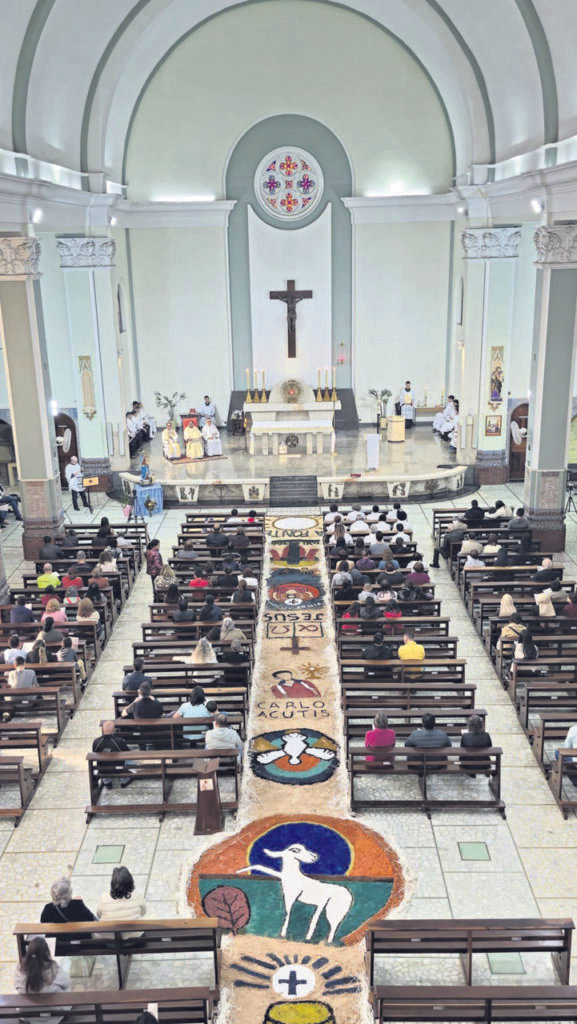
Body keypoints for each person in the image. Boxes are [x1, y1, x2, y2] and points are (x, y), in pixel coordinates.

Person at [40, 877, 95, 949]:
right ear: (69, 894)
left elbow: (43, 925)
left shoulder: (48, 908)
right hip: (79, 944)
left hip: (58, 946)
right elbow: (91, 919)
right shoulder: (78, 904)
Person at [14, 936, 70, 1005]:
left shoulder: (21, 968)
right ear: (46, 952)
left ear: (29, 951)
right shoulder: (53, 966)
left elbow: (16, 985)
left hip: (26, 1011)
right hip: (54, 1011)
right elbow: (67, 982)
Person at [97, 866, 146, 937]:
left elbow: (99, 915)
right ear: (130, 883)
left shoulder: (103, 897)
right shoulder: (138, 896)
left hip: (110, 941)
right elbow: (143, 912)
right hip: (134, 939)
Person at [92, 721, 133, 788]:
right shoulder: (119, 740)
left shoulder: (96, 741)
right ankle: (124, 781)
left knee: (102, 762)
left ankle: (107, 782)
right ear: (114, 730)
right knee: (129, 760)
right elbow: (127, 753)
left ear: (102, 729)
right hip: (118, 768)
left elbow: (94, 754)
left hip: (103, 769)